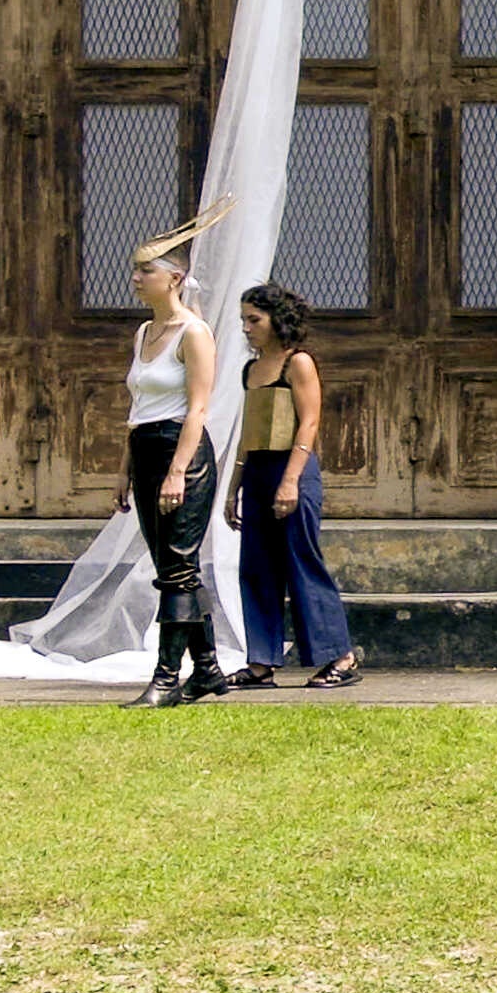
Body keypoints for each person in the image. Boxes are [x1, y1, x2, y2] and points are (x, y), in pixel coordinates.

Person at [117, 200, 233, 708]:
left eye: (146, 270)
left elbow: (198, 407)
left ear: (174, 277)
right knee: (170, 564)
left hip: (180, 451)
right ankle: (207, 670)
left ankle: (167, 676)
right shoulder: (143, 333)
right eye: (137, 270)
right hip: (145, 447)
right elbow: (137, 405)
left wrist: (178, 471)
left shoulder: (195, 333)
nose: (137, 278)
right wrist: (126, 470)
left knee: (179, 567)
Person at [223, 282, 358, 690]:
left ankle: (340, 655)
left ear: (276, 319)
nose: (246, 328)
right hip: (259, 470)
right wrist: (234, 488)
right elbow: (249, 432)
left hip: (292, 468)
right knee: (256, 567)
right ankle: (262, 661)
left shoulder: (297, 362)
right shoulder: (252, 369)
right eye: (244, 320)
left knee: (301, 562)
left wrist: (291, 481)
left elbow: (310, 422)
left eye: (254, 319)